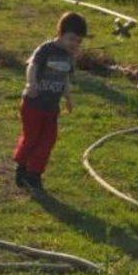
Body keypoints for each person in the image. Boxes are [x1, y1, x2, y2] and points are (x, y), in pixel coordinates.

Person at [13, 11, 88, 192]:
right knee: (32, 137)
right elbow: (32, 65)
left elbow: (65, 80)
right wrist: (31, 83)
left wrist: (68, 98)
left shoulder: (69, 57)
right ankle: (21, 165)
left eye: (78, 41)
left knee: (48, 140)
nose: (74, 44)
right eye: (71, 39)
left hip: (51, 107)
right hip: (33, 104)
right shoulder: (46, 49)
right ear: (60, 34)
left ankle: (34, 175)